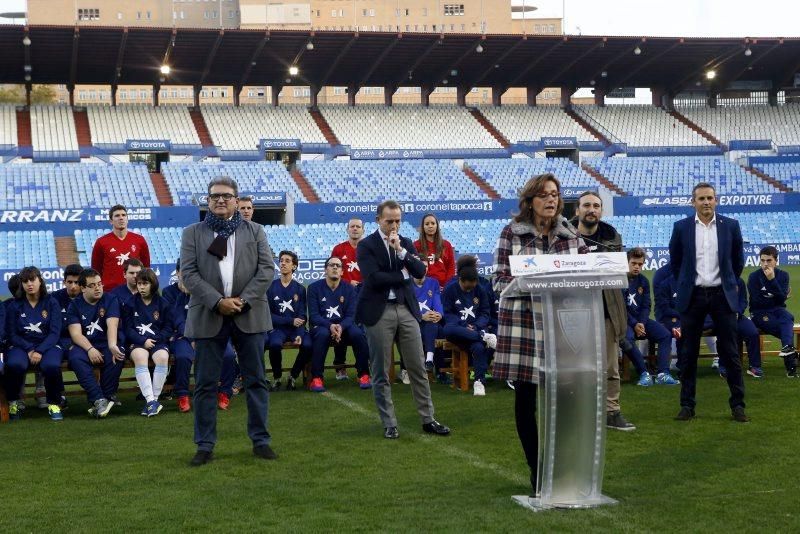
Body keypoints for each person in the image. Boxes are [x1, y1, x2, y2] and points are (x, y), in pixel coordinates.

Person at [492, 173, 587, 496]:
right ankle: (537, 469)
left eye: (556, 194)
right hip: (524, 327)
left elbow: (588, 273)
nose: (551, 199)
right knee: (526, 400)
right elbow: (498, 282)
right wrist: (531, 280)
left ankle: (563, 465)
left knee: (567, 399)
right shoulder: (512, 234)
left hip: (563, 327)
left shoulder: (570, 234)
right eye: (544, 194)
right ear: (530, 200)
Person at [180, 176, 275, 466]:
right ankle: (205, 445)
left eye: (226, 196)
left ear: (236, 200)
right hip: (209, 315)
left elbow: (266, 270)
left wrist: (242, 300)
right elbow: (189, 273)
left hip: (250, 314)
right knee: (206, 384)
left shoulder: (256, 231)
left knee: (256, 380)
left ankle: (261, 441)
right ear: (207, 201)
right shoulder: (192, 233)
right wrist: (217, 302)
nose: (220, 200)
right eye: (214, 196)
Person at [356, 200, 450, 439]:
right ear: (378, 220)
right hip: (378, 311)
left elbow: (420, 272)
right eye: (389, 221)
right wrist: (402, 274)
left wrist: (401, 252)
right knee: (381, 371)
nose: (394, 225)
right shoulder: (367, 245)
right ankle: (389, 423)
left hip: (406, 309)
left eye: (398, 220)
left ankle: (428, 419)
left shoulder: (406, 243)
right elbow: (374, 278)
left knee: (417, 367)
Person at [669, 182, 747, 422]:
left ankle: (738, 405)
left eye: (710, 198)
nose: (706, 202)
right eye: (701, 198)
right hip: (693, 296)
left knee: (731, 352)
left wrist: (726, 284)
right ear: (693, 201)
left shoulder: (730, 226)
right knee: (688, 353)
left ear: (716, 200)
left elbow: (737, 262)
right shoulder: (681, 227)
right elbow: (676, 262)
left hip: (721, 296)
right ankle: (687, 405)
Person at [572, 190, 635, 431]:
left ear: (601, 210)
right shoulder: (564, 235)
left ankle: (612, 411)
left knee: (610, 365)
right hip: (574, 309)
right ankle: (578, 411)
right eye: (586, 205)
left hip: (607, 307)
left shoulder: (611, 235)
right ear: (577, 210)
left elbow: (615, 272)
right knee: (575, 365)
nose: (591, 209)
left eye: (596, 206)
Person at [162, 259, 237, 413]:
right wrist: (192, 338)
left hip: (209, 334)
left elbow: (214, 312)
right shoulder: (169, 292)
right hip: (182, 336)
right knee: (183, 357)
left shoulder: (205, 290)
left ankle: (224, 392)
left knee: (229, 354)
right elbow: (176, 318)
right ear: (177, 273)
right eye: (184, 271)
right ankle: (183, 395)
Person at [4, 267, 64, 421]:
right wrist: (30, 349)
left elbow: (54, 333)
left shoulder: (51, 302)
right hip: (22, 346)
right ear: (21, 284)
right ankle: (14, 401)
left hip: (48, 345)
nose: (29, 284)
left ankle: (54, 403)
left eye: (32, 280)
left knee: (51, 366)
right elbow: (12, 334)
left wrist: (40, 350)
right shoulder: (14, 305)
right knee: (15, 364)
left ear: (40, 280)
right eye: (25, 281)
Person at [66, 268, 125, 418]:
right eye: (92, 285)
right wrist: (90, 349)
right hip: (84, 345)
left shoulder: (110, 299)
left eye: (99, 284)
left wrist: (112, 345)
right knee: (75, 358)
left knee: (117, 355)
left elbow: (112, 325)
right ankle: (98, 399)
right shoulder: (75, 305)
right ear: (83, 288)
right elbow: (75, 334)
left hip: (106, 342)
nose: (98, 288)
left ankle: (106, 396)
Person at [307, 257, 371, 392]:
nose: (335, 267)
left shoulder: (349, 289)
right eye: (331, 265)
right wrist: (330, 326)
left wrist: (340, 327)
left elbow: (351, 315)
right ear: (325, 270)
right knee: (322, 334)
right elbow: (314, 316)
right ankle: (317, 378)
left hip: (344, 326)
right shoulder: (313, 288)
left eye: (338, 266)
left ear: (342, 271)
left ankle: (364, 374)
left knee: (358, 334)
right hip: (323, 326)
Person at [624, 248, 680, 386]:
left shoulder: (643, 281)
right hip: (624, 321)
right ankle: (644, 373)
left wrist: (641, 322)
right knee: (628, 338)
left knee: (665, 335)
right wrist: (634, 323)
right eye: (633, 263)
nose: (637, 267)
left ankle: (663, 373)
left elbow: (646, 305)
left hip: (641, 321)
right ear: (627, 262)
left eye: (640, 264)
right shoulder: (619, 281)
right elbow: (620, 309)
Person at [441, 262, 496, 396]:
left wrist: (476, 326)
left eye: (472, 287)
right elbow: (447, 314)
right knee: (448, 330)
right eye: (466, 288)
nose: (469, 290)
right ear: (460, 279)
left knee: (478, 347)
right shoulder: (450, 289)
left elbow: (485, 312)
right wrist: (464, 325)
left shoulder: (480, 290)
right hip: (458, 329)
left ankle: (479, 382)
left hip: (475, 328)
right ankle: (483, 337)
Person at [125, 268, 173, 417]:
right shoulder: (130, 303)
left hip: (158, 341)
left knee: (163, 358)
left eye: (145, 284)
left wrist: (157, 339)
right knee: (140, 357)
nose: (141, 287)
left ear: (153, 284)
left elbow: (168, 327)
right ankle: (150, 400)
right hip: (138, 342)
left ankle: (154, 400)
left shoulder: (163, 303)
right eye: (139, 284)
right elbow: (128, 328)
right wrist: (142, 341)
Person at [748, 245, 797, 377]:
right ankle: (791, 366)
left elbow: (780, 301)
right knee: (786, 330)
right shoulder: (754, 277)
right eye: (762, 260)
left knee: (788, 317)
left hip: (777, 310)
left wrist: (772, 281)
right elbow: (757, 302)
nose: (765, 264)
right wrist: (778, 295)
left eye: (769, 260)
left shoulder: (783, 275)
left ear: (776, 261)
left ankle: (787, 349)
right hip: (759, 312)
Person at [266, 251, 311, 391]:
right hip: (277, 329)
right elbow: (268, 316)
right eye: (281, 260)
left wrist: (299, 332)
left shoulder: (300, 289)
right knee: (274, 344)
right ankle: (277, 377)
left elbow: (303, 315)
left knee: (308, 345)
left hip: (295, 330)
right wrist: (290, 321)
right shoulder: (270, 287)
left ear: (294, 266)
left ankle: (293, 375)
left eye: (287, 261)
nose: (283, 263)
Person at [330, 218, 365, 380]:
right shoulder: (339, 249)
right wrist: (347, 282)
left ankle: (363, 365)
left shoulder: (368, 248)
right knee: (341, 326)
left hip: (364, 295)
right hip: (343, 294)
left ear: (363, 230)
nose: (355, 229)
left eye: (358, 227)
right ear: (347, 229)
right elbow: (333, 271)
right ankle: (339, 365)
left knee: (362, 331)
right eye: (352, 226)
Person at [91, 205, 151, 291]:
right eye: (117, 215)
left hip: (134, 292)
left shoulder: (140, 240)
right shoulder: (101, 242)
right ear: (111, 221)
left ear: (127, 219)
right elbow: (96, 271)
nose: (121, 218)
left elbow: (146, 268)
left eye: (123, 215)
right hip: (110, 293)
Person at [411, 274, 444, 377]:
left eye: (425, 266)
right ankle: (438, 371)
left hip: (430, 322)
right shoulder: (407, 283)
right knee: (434, 328)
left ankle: (432, 362)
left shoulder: (433, 282)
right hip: (413, 323)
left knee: (435, 326)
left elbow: (437, 301)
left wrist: (439, 314)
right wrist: (421, 316)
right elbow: (405, 307)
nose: (422, 269)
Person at [414, 213, 455, 289]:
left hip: (443, 287)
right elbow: (414, 269)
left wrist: (446, 286)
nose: (430, 226)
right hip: (424, 287)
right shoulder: (416, 245)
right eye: (427, 224)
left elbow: (451, 268)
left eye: (433, 223)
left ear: (437, 226)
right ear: (423, 227)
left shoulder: (446, 245)